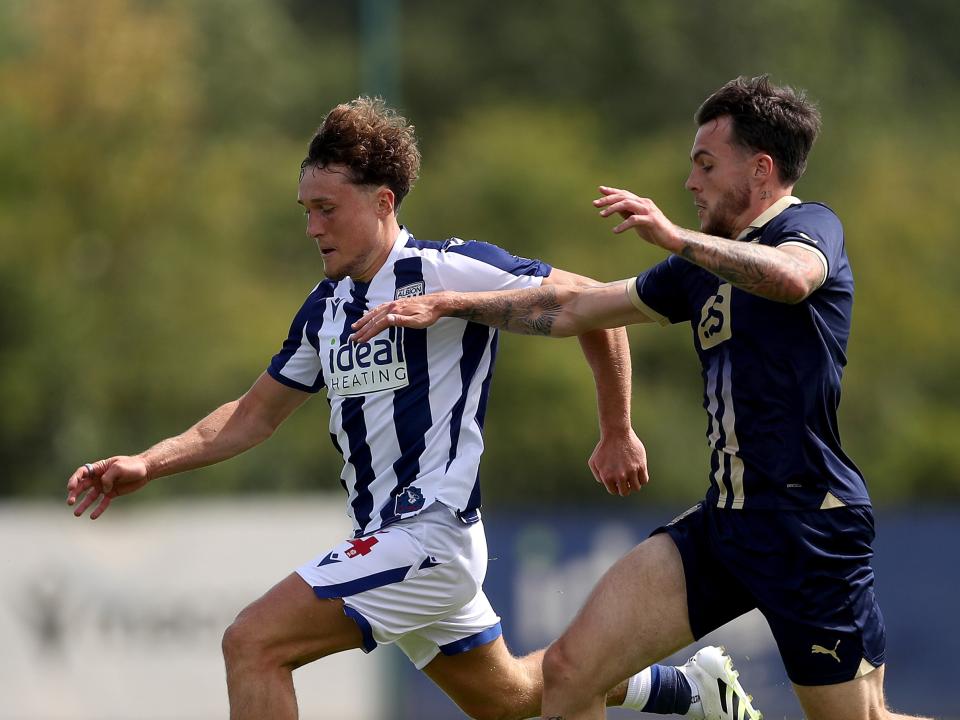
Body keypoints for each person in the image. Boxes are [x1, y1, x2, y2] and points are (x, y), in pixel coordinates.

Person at [66, 97, 760, 720]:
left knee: (253, 643)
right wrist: (147, 463)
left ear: (383, 202)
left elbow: (593, 309)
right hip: (394, 539)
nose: (312, 227)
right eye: (305, 210)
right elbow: (252, 416)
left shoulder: (446, 270)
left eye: (326, 209)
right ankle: (687, 690)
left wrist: (616, 429)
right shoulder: (325, 307)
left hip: (428, 534)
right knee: (510, 698)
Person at [352, 76, 933, 720]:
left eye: (706, 164)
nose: (691, 182)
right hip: (726, 523)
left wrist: (677, 239)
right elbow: (578, 307)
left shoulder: (807, 225)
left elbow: (794, 280)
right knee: (572, 673)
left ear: (762, 170)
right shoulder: (698, 270)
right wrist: (453, 303)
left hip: (810, 526)